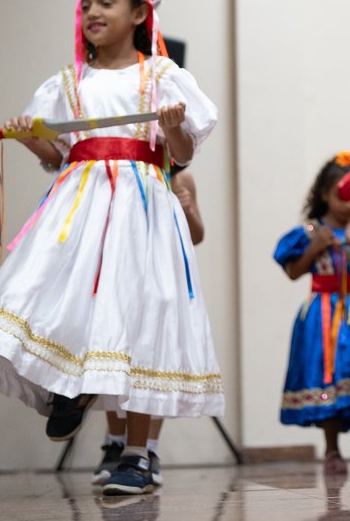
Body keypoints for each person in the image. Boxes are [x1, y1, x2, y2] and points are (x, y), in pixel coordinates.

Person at [0, 0, 224, 496]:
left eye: (105, 2)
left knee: (140, 312)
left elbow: (177, 155)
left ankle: (137, 452)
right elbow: (57, 155)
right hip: (80, 206)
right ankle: (69, 385)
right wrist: (28, 135)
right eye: (85, 5)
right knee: (60, 292)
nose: (92, 13)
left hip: (139, 207)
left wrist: (175, 131)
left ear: (138, 13)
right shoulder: (67, 83)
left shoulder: (162, 76)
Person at [274, 154, 350, 475]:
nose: (349, 203)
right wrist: (316, 248)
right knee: (329, 379)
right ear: (324, 194)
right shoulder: (310, 232)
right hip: (323, 315)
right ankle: (332, 451)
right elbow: (293, 272)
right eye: (342, 195)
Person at [91, 166, 205, 486]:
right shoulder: (119, 171)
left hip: (165, 276)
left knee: (154, 360)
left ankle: (148, 449)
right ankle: (114, 441)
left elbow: (197, 234)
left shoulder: (182, 178)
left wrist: (187, 209)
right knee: (113, 356)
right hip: (123, 272)